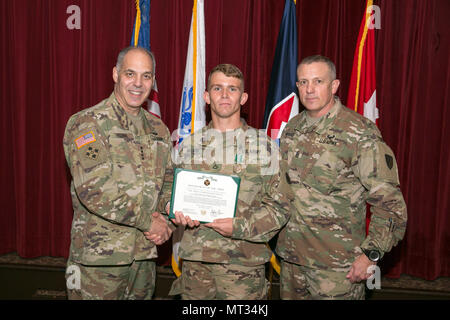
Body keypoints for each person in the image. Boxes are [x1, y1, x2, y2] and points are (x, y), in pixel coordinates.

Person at [276, 55, 407, 300]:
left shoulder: (359, 133)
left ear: (334, 86)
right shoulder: (292, 128)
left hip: (337, 269)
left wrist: (370, 255)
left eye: (318, 81)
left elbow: (390, 204)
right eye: (303, 82)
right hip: (292, 261)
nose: (310, 89)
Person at [169, 64, 291, 300]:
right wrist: (173, 212)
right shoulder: (188, 147)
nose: (224, 95)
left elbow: (281, 208)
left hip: (243, 268)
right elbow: (170, 194)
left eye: (232, 89)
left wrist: (239, 227)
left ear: (243, 97)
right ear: (206, 96)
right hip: (196, 267)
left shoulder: (264, 148)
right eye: (217, 88)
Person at [63, 46, 174, 299]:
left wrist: (166, 220)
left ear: (153, 80)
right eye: (130, 74)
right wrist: (151, 222)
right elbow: (96, 191)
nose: (138, 83)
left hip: (144, 257)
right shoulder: (88, 123)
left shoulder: (158, 128)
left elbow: (168, 182)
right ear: (115, 74)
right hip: (99, 261)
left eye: (146, 76)